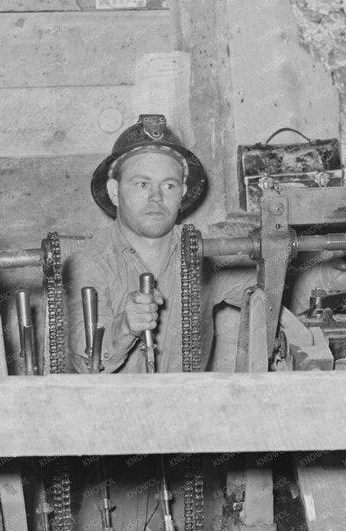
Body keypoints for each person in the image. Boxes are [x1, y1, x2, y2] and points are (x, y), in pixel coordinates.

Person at [67, 114, 250, 373]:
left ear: (183, 192)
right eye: (142, 184)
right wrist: (124, 329)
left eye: (169, 185)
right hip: (112, 411)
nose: (156, 197)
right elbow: (86, 365)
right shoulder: (88, 264)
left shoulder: (203, 254)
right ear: (114, 191)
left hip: (190, 407)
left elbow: (266, 292)